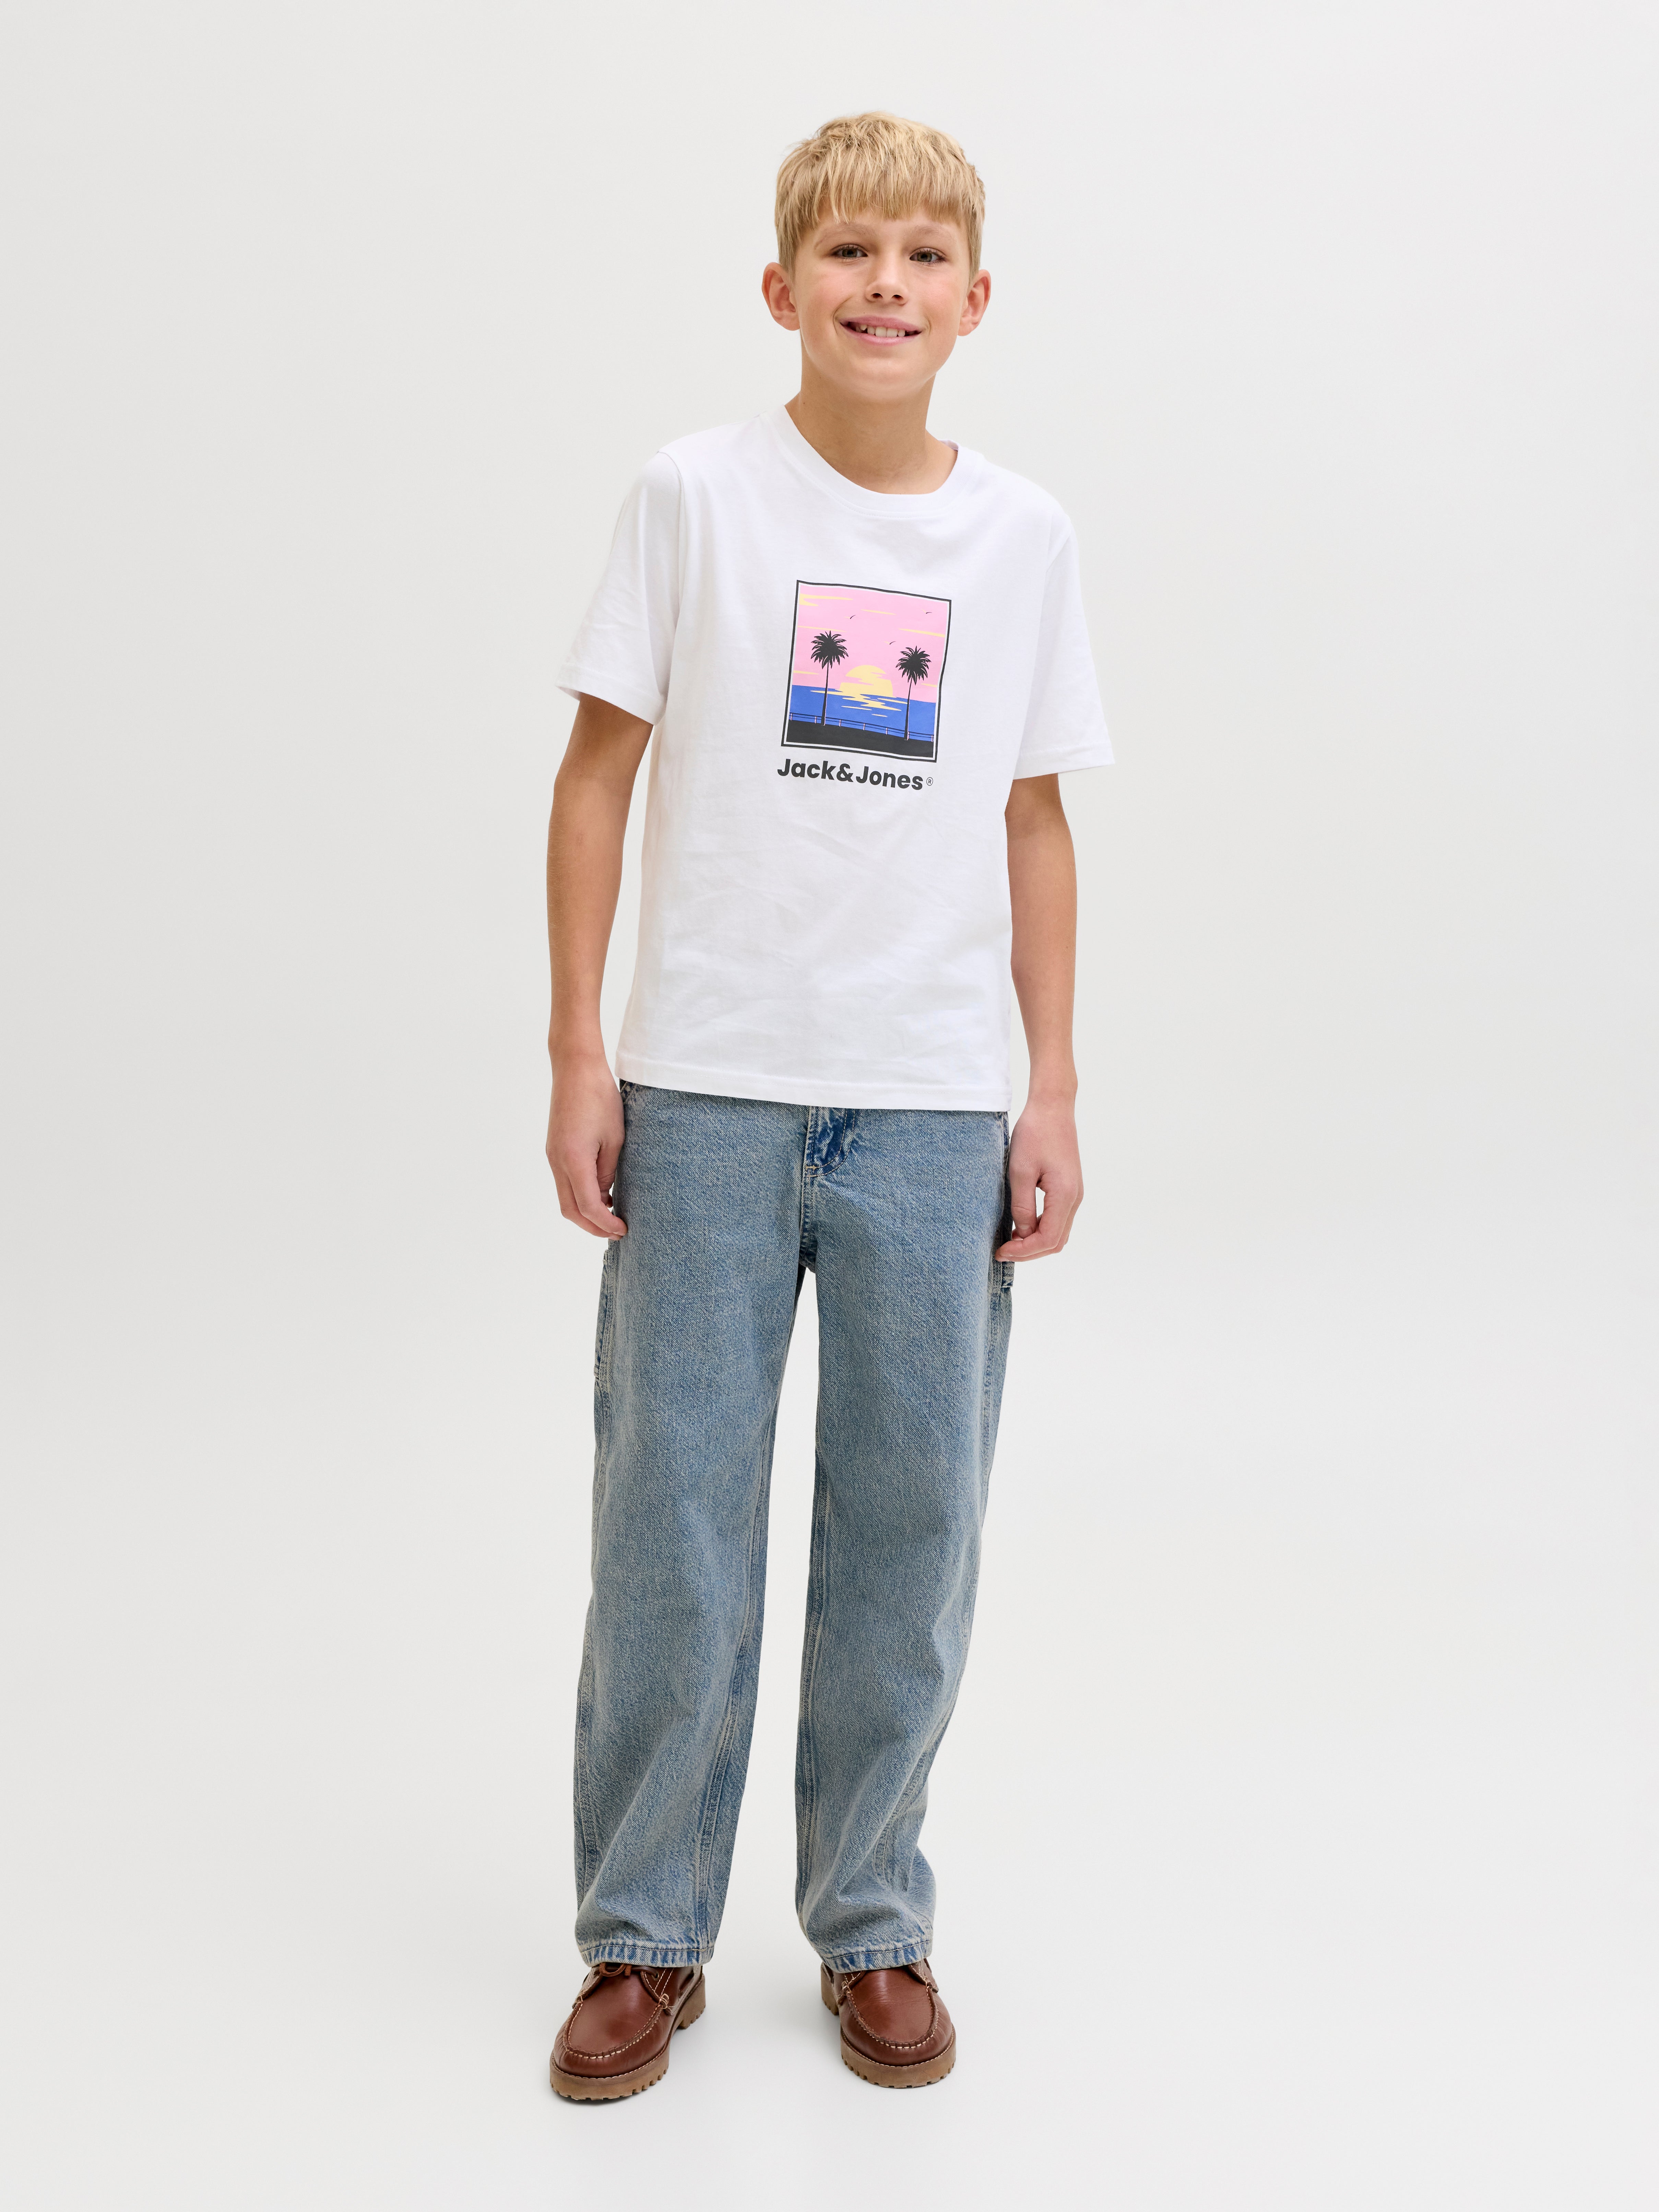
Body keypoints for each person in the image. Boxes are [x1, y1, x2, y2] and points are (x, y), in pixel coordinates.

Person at [544, 111, 1111, 2101]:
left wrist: (1049, 1084)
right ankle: (643, 1931)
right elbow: (597, 776)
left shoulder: (1022, 540)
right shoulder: (694, 498)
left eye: (922, 256)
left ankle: (872, 1918)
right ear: (783, 288)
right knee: (672, 1525)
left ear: (976, 298)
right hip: (706, 1087)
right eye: (850, 254)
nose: (887, 286)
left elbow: (1034, 820)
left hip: (932, 1106)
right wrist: (581, 1052)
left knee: (910, 1523)